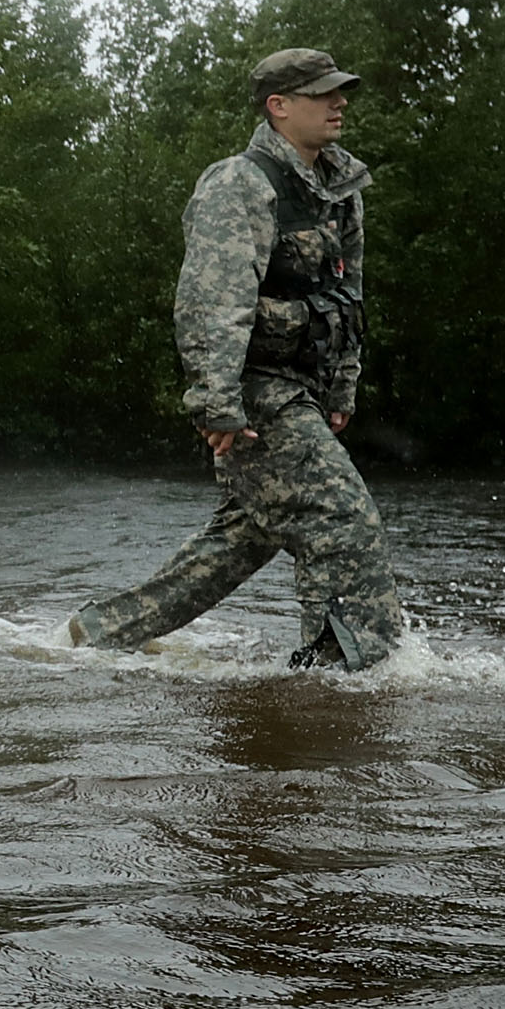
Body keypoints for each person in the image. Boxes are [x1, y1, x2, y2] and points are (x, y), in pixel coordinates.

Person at [70, 48, 405, 669]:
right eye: (323, 94)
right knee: (341, 522)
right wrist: (215, 402)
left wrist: (342, 387)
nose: (340, 102)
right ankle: (343, 679)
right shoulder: (239, 183)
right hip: (256, 389)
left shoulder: (341, 191)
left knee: (244, 537)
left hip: (305, 388)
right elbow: (211, 302)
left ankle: (97, 635)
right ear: (280, 107)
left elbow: (347, 296)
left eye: (340, 92)